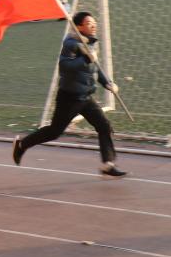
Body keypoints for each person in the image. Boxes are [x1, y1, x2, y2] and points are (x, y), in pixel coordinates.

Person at [13, 12, 125, 177]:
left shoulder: (91, 42)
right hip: (69, 97)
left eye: (94, 22)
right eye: (89, 23)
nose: (94, 25)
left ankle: (108, 165)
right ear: (79, 26)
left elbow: (95, 68)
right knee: (54, 132)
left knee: (104, 126)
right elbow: (65, 66)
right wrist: (85, 59)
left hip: (86, 96)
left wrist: (107, 83)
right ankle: (22, 145)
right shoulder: (71, 44)